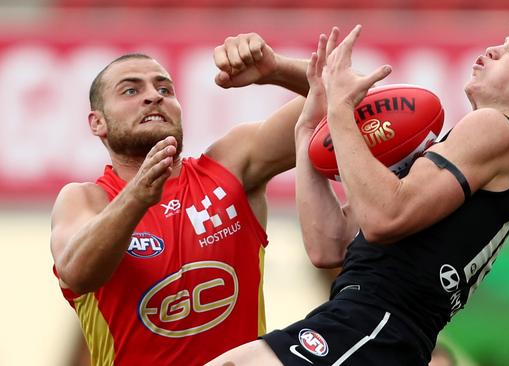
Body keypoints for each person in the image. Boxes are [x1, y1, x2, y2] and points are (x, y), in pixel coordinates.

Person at [207, 10, 509, 366]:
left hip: (372, 329)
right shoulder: (461, 158)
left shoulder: (495, 128)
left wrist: (340, 110)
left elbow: (385, 216)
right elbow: (328, 244)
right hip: (369, 331)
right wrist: (307, 130)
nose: (494, 50)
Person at [49, 33, 312, 365]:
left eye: (164, 89)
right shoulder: (85, 199)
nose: (153, 97)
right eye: (131, 90)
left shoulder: (230, 165)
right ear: (97, 122)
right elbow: (76, 273)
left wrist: (276, 69)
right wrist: (137, 198)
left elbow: (360, 98)